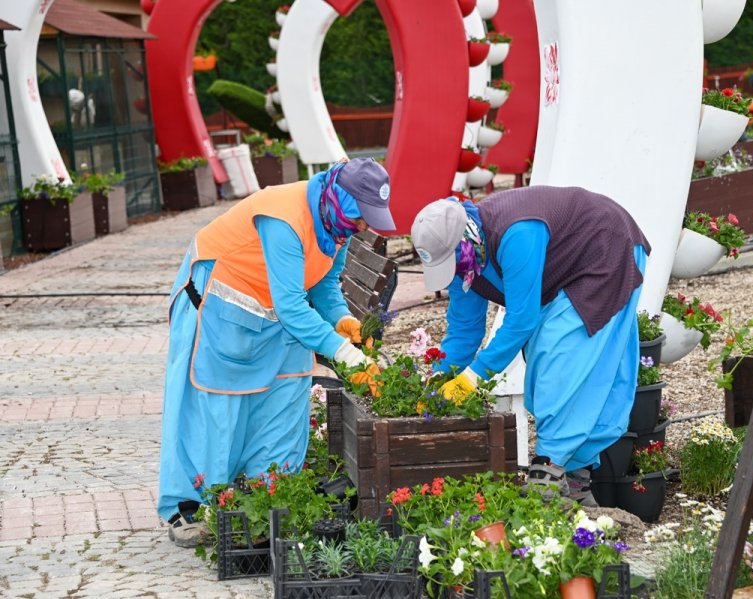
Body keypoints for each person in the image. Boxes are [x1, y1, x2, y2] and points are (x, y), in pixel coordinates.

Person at [158, 158, 394, 547]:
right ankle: (190, 507)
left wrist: (340, 320)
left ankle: (264, 495)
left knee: (286, 395)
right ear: (343, 201)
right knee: (216, 409)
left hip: (278, 315)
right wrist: (345, 354)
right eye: (363, 217)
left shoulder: (338, 223)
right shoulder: (283, 216)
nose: (365, 226)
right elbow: (292, 307)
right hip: (222, 301)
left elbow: (324, 285)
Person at [411, 186, 650, 505]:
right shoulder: (465, 261)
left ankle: (548, 472)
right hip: (564, 273)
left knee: (560, 357)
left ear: (463, 240)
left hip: (605, 246)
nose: (451, 271)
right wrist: (440, 380)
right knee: (543, 363)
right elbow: (464, 331)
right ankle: (576, 481)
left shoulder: (516, 232)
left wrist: (472, 378)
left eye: (448, 261)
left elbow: (522, 320)